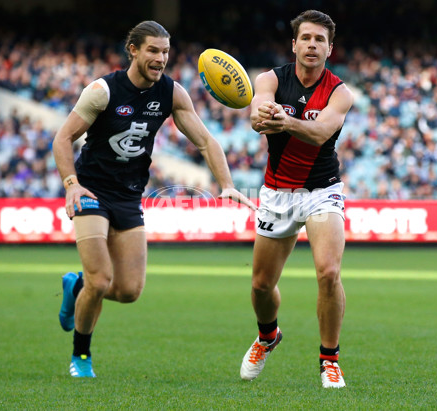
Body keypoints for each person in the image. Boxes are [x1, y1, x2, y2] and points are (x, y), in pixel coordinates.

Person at [53, 20, 255, 378]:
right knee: (101, 280)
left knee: (129, 291)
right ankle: (81, 356)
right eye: (153, 50)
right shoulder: (102, 91)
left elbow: (206, 141)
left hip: (130, 195)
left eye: (165, 51)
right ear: (133, 50)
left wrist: (226, 183)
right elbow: (63, 138)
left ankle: (76, 285)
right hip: (91, 189)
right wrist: (71, 184)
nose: (161, 58)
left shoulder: (173, 93)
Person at [239, 10, 354, 388]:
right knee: (260, 285)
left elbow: (320, 132)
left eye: (320, 40)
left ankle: (329, 359)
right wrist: (261, 115)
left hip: (322, 191)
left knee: (329, 272)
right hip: (276, 193)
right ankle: (268, 336)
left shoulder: (340, 92)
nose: (312, 45)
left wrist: (285, 121)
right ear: (294, 44)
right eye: (306, 38)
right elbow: (258, 114)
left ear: (329, 48)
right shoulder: (269, 79)